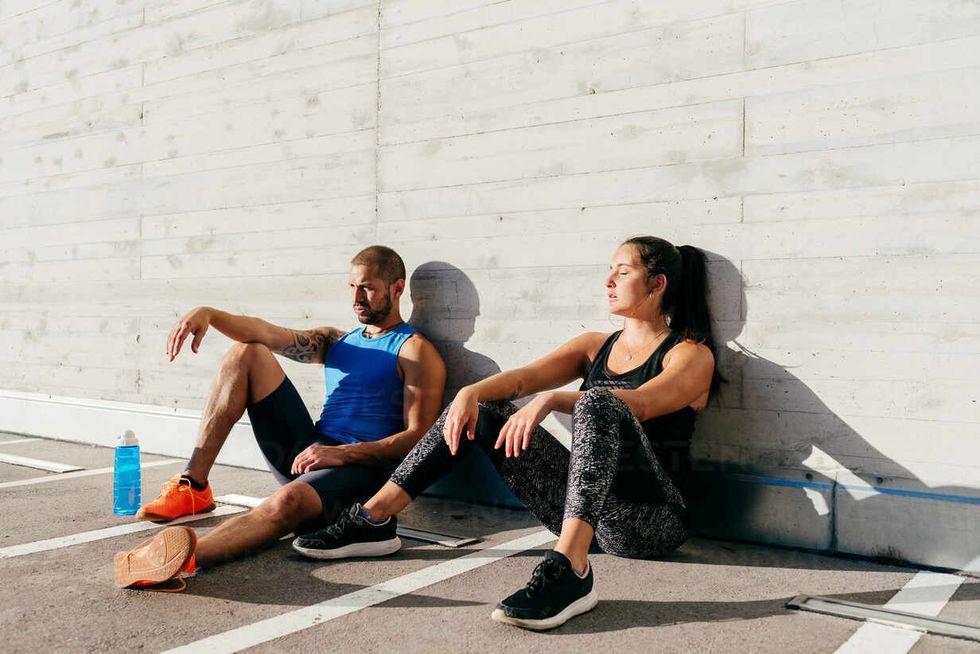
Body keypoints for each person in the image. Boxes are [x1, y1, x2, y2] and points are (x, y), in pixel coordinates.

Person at [290, 236, 720, 630]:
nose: (608, 280)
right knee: (484, 408)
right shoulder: (595, 345)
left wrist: (552, 400)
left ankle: (572, 572)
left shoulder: (690, 355)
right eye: (610, 269)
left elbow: (640, 403)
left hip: (651, 522)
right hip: (586, 509)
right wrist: (470, 394)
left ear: (657, 283)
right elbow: (522, 378)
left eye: (622, 272)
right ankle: (374, 520)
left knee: (598, 402)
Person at [113, 245, 446, 590]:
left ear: (397, 288)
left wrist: (342, 454)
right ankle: (194, 486)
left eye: (368, 287)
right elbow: (266, 332)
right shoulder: (336, 340)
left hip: (358, 470)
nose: (357, 297)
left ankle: (182, 559)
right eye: (352, 287)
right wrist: (209, 313)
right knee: (248, 352)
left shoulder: (415, 349)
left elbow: (418, 439)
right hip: (310, 453)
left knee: (287, 502)